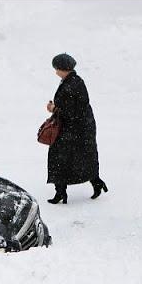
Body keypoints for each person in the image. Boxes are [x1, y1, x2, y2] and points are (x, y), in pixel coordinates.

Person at [46, 53, 108, 204]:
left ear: (63, 68)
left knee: (59, 158)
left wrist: (54, 108)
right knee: (83, 158)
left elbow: (71, 112)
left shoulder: (71, 85)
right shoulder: (74, 81)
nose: (56, 72)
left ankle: (61, 192)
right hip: (81, 128)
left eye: (57, 68)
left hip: (74, 129)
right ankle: (94, 182)